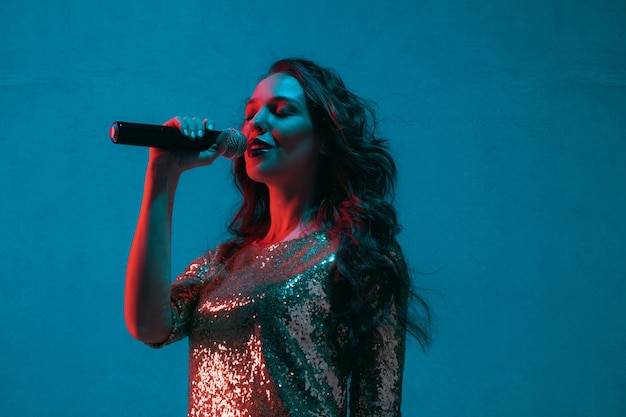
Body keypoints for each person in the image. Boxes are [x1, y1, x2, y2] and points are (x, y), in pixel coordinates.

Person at [124, 58, 431, 417]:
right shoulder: (223, 263)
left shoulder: (358, 256)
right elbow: (147, 326)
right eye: (250, 114)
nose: (257, 124)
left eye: (281, 111)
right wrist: (163, 172)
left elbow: (378, 408)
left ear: (325, 140)